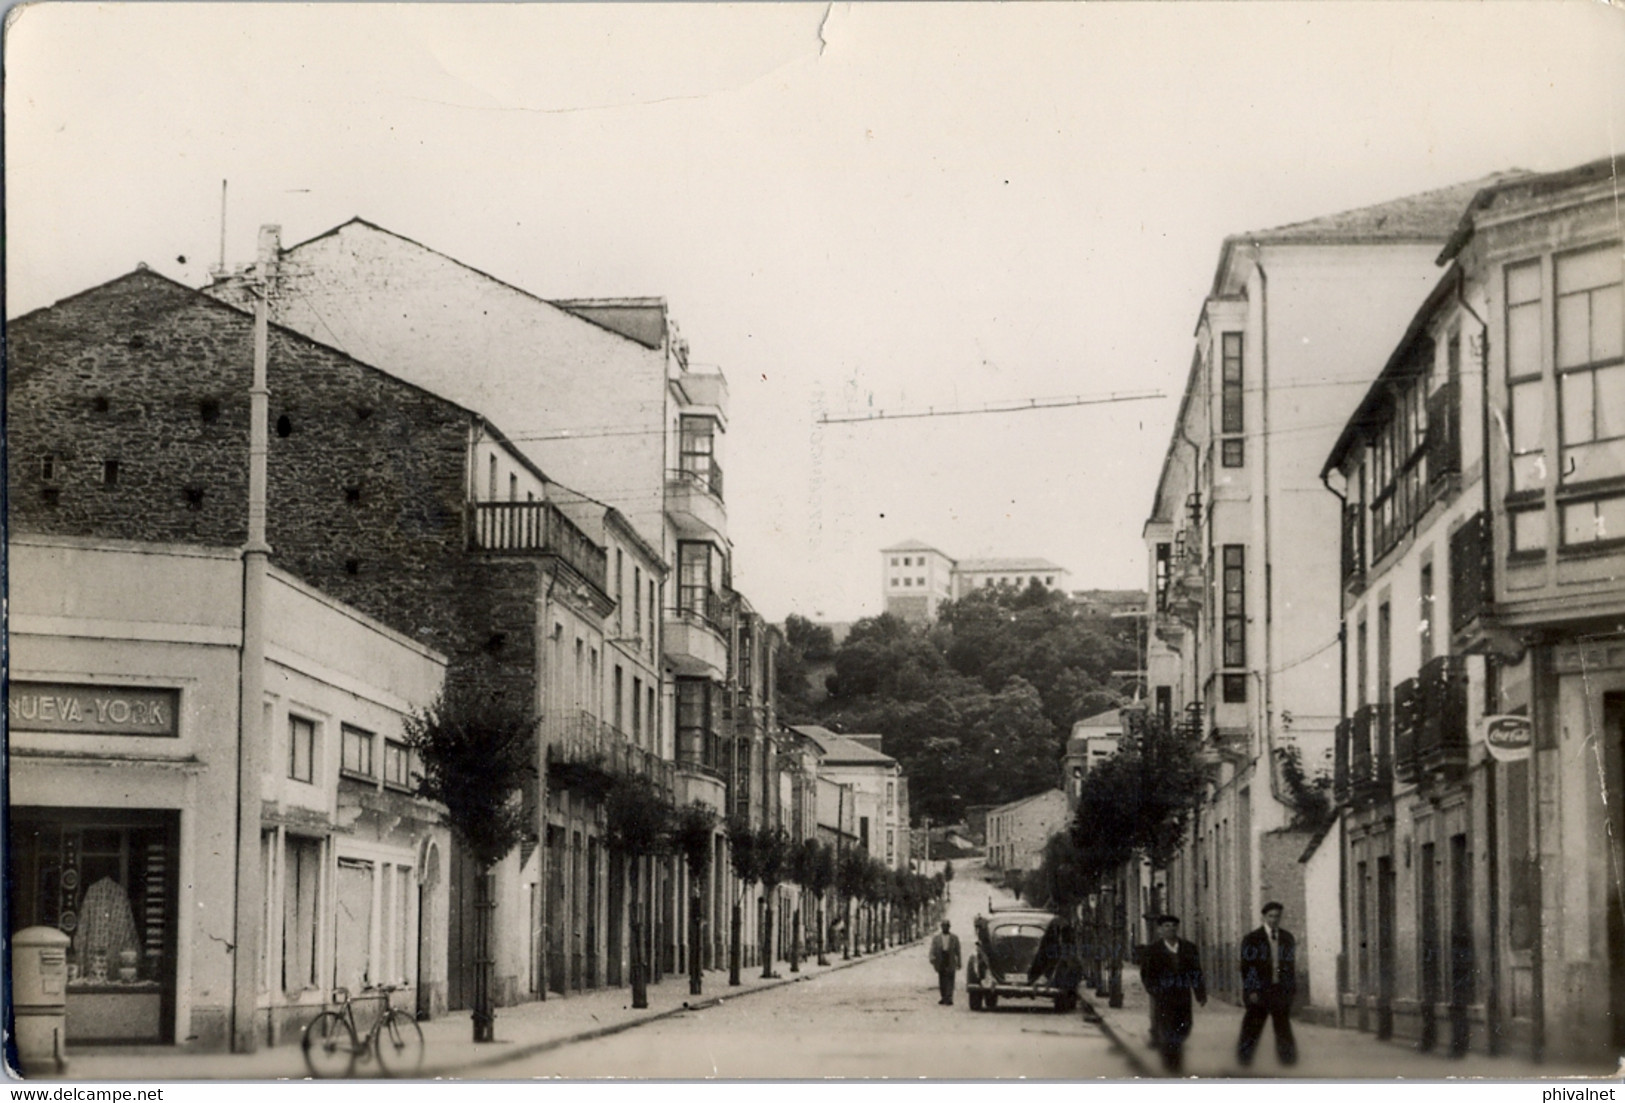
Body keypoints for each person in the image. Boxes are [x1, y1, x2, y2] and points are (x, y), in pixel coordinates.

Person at [1139, 914, 1206, 1073]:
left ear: (1178, 928)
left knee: (1185, 1027)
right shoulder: (1152, 950)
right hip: (1163, 997)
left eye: (1173, 926)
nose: (1171, 929)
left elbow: (1196, 972)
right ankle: (1171, 1064)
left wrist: (1200, 993)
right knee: (1167, 1028)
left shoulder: (1189, 948)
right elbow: (1146, 974)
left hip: (1183, 995)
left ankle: (1174, 1056)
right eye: (1166, 926)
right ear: (1160, 930)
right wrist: (1154, 990)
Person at [1237, 901, 1298, 1068]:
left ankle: (1288, 1061)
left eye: (1277, 916)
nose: (1274, 920)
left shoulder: (1287, 938)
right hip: (1260, 990)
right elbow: (1247, 967)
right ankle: (1244, 1059)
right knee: (1253, 1025)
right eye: (1270, 916)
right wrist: (1252, 990)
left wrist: (1290, 989)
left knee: (1283, 1025)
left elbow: (1290, 966)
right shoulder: (1252, 939)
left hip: (1280, 989)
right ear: (1264, 917)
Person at [928, 919, 962, 1005]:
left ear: (949, 927)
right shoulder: (937, 938)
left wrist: (959, 962)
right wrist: (932, 957)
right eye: (943, 926)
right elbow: (933, 949)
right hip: (941, 958)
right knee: (942, 978)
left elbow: (958, 951)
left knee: (951, 978)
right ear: (941, 927)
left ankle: (949, 997)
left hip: (950, 958)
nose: (945, 928)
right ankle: (943, 997)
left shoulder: (954, 938)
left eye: (947, 926)